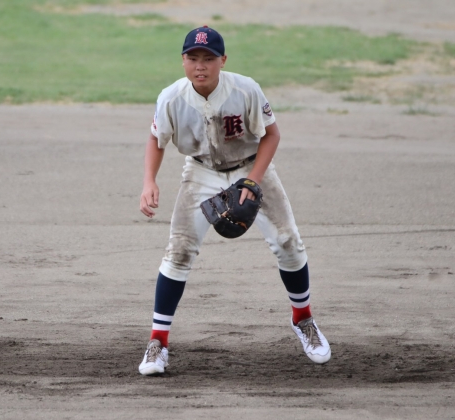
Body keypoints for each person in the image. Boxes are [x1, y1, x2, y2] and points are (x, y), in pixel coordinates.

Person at [138, 26, 331, 376]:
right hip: (201, 172)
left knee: (288, 241)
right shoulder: (171, 98)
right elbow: (156, 138)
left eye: (208, 58)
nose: (200, 65)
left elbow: (271, 135)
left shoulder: (245, 89)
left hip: (250, 166)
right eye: (193, 58)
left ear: (222, 60)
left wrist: (253, 180)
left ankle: (303, 320)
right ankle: (157, 343)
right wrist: (149, 181)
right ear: (183, 61)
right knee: (178, 251)